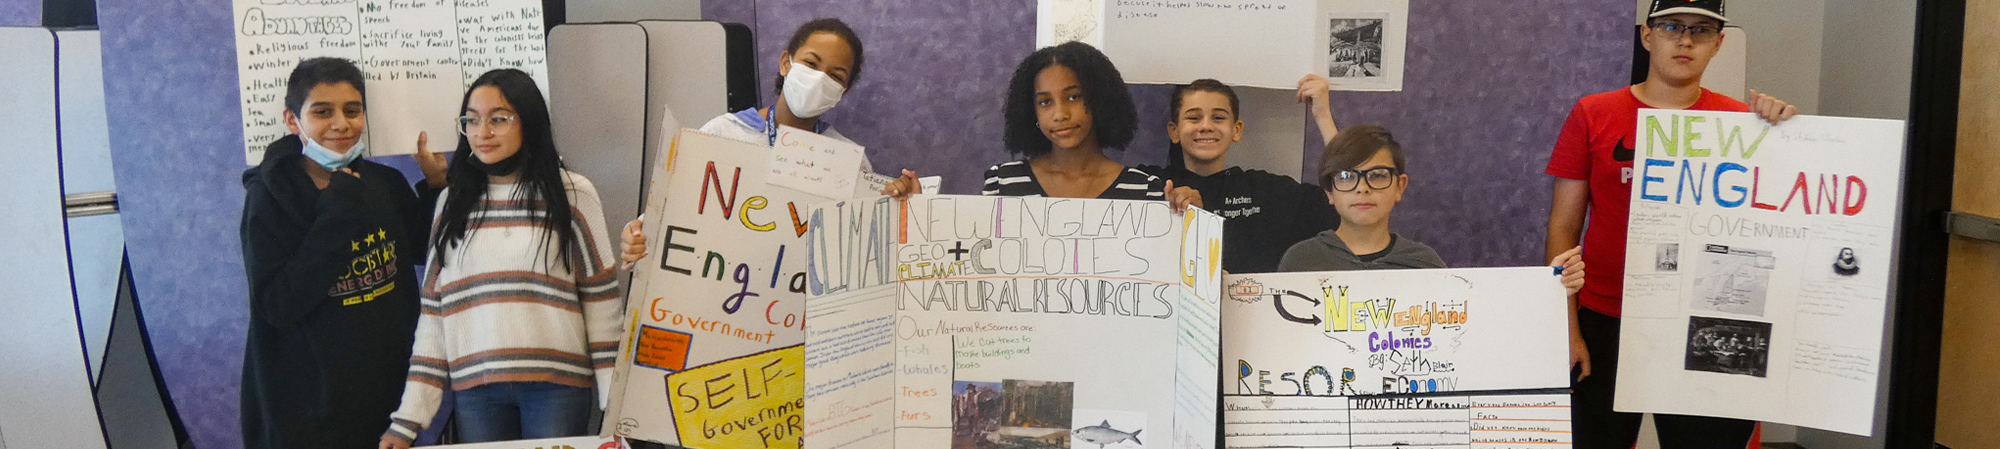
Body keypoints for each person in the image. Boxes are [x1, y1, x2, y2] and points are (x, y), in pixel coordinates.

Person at [1545, 0, 1797, 447]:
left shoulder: (1742, 123)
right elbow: (1563, 229)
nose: (1685, 40)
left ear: (1718, 44)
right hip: (1607, 315)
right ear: (1647, 36)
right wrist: (1567, 328)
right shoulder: (1594, 113)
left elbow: (1772, 224)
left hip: (1704, 321)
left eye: (1701, 31)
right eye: (1672, 27)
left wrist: (1785, 133)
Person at [380, 69, 624, 448]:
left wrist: (617, 404)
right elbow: (434, 316)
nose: (482, 132)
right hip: (477, 392)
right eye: (472, 120)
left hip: (556, 389)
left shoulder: (573, 193)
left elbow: (602, 305)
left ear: (529, 121)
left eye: (498, 119)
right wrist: (408, 421)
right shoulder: (452, 201)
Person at [239, 56, 447, 449]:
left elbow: (420, 248)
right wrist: (338, 209)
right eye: (322, 111)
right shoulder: (269, 198)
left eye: (352, 110)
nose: (341, 123)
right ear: (291, 120)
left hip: (384, 399)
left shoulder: (383, 182)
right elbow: (279, 304)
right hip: (308, 410)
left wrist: (435, 186)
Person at [1278, 124, 1585, 282]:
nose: (1363, 189)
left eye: (1378, 175)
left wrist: (1551, 286)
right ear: (1330, 192)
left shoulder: (1424, 263)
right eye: (1347, 177)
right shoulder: (1299, 261)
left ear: (1400, 186)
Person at [1134, 77, 1341, 273]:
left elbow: (1346, 202)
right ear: (1174, 131)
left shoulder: (1269, 193)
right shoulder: (1150, 185)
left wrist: (1323, 117)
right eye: (1194, 118)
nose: (1206, 126)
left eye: (1218, 118)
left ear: (1236, 130)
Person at [697, 17, 874, 173]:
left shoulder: (850, 162)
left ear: (843, 91)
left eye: (835, 76)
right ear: (785, 63)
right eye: (811, 63)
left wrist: (893, 199)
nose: (819, 78)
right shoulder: (720, 134)